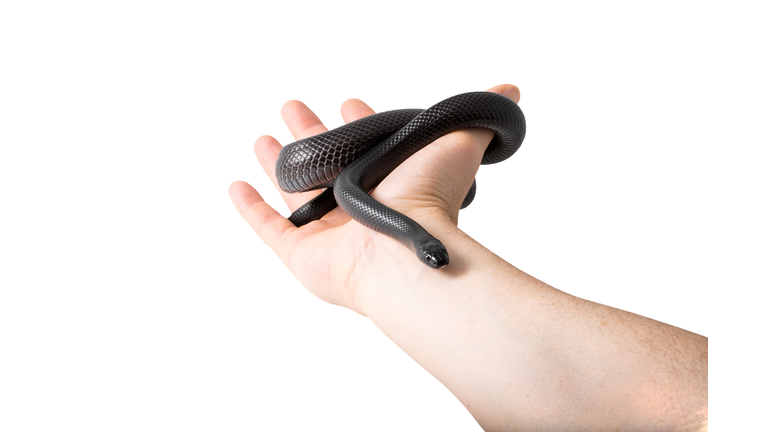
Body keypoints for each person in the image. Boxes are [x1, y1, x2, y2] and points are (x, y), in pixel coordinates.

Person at [228, 84, 708, 431]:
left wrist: (390, 238)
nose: (437, 259)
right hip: (371, 187)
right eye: (432, 253)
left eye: (432, 255)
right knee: (349, 174)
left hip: (374, 195)